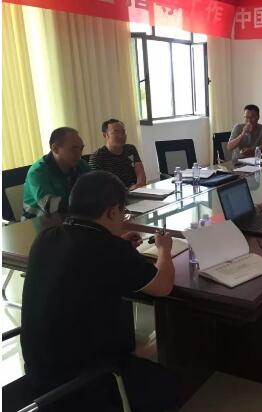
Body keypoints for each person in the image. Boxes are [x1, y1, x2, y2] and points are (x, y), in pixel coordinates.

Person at [20, 171, 182, 412]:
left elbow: (85, 257)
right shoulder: (110, 250)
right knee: (173, 386)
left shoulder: (46, 237)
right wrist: (164, 250)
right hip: (85, 382)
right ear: (112, 211)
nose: (123, 219)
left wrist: (118, 244)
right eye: (123, 213)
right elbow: (163, 285)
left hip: (38, 372)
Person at [22, 127, 90, 220]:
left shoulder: (81, 165)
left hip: (73, 218)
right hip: (37, 222)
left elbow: (97, 189)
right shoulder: (38, 172)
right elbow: (51, 207)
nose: (79, 154)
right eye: (74, 149)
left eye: (81, 149)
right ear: (55, 148)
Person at [89, 119, 146, 190]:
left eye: (123, 132)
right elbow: (100, 186)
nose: (121, 136)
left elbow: (140, 173)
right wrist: (127, 191)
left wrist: (139, 186)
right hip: (114, 195)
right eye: (116, 132)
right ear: (105, 135)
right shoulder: (97, 157)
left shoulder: (131, 149)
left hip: (135, 191)